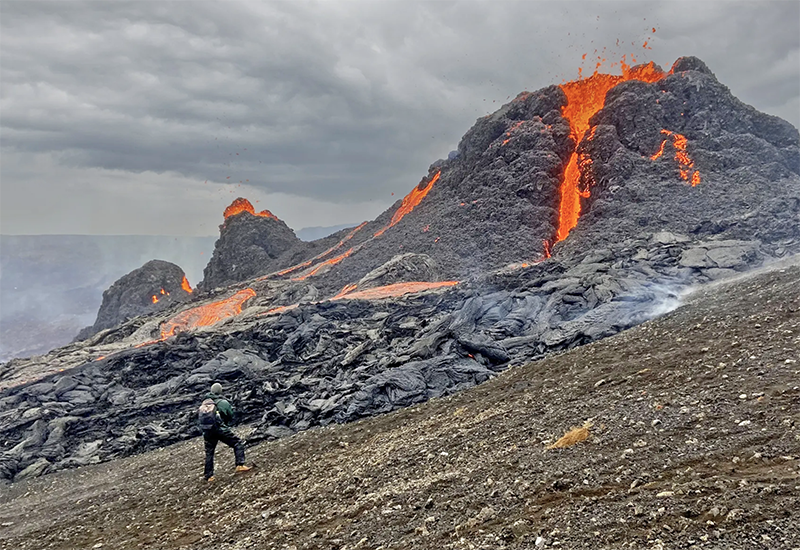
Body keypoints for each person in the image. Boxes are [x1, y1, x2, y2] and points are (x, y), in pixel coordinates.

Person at [199, 382, 251, 482]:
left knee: (209, 453)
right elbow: (230, 415)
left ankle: (209, 476)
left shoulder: (205, 403)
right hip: (220, 429)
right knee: (237, 443)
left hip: (207, 431)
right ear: (220, 391)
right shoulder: (223, 402)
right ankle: (240, 465)